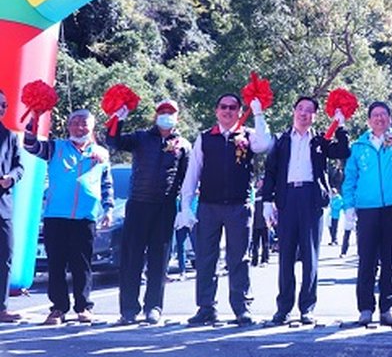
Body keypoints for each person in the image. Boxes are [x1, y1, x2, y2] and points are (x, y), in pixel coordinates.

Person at [177, 93, 272, 326]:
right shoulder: (205, 138)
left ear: (239, 111)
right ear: (216, 111)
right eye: (223, 107)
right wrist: (185, 206)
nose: (228, 111)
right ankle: (206, 307)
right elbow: (193, 172)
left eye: (233, 107)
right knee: (205, 257)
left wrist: (258, 113)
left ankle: (241, 308)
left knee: (239, 258)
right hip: (208, 206)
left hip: (239, 206)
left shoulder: (248, 136)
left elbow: (265, 144)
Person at [262, 96, 350, 325]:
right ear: (294, 112)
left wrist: (340, 125)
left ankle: (307, 308)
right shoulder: (281, 140)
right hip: (287, 198)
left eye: (309, 110)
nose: (304, 113)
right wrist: (267, 202)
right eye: (300, 109)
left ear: (315, 116)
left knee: (311, 256)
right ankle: (283, 308)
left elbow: (343, 151)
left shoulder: (320, 140)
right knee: (286, 256)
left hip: (311, 198)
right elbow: (270, 172)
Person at [24, 109, 113, 325]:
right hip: (56, 215)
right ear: (68, 126)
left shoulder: (101, 153)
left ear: (92, 127)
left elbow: (107, 184)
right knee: (56, 264)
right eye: (74, 122)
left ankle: (84, 307)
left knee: (82, 264)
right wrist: (34, 118)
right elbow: (31, 146)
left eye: (84, 123)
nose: (79, 127)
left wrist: (108, 209)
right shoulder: (56, 147)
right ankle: (58, 308)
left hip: (85, 216)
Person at [342, 96, 392, 326]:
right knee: (366, 259)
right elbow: (350, 178)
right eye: (375, 115)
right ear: (369, 120)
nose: (379, 118)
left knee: (389, 258)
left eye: (383, 114)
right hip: (367, 208)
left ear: (389, 118)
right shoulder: (358, 147)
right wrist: (349, 206)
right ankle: (365, 309)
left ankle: (387, 309)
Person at [107, 99, 191, 325]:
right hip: (138, 203)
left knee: (159, 260)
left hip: (165, 207)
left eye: (171, 112)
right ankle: (128, 309)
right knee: (131, 258)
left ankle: (153, 307)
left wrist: (183, 208)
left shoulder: (183, 144)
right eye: (163, 112)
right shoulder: (141, 137)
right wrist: (119, 118)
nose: (166, 115)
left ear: (177, 117)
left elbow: (186, 178)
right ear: (156, 115)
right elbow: (113, 141)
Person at [0, 90, 24, 323]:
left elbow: (20, 166)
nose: (0, 109)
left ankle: (2, 308)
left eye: (3, 105)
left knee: (5, 255)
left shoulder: (9, 136)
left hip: (3, 206)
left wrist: (11, 178)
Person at [250, 179, 270, 267]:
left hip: (265, 223)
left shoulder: (266, 193)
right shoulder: (254, 193)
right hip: (255, 224)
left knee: (265, 243)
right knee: (255, 243)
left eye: (261, 181)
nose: (259, 183)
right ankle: (254, 260)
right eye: (258, 182)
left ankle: (265, 259)